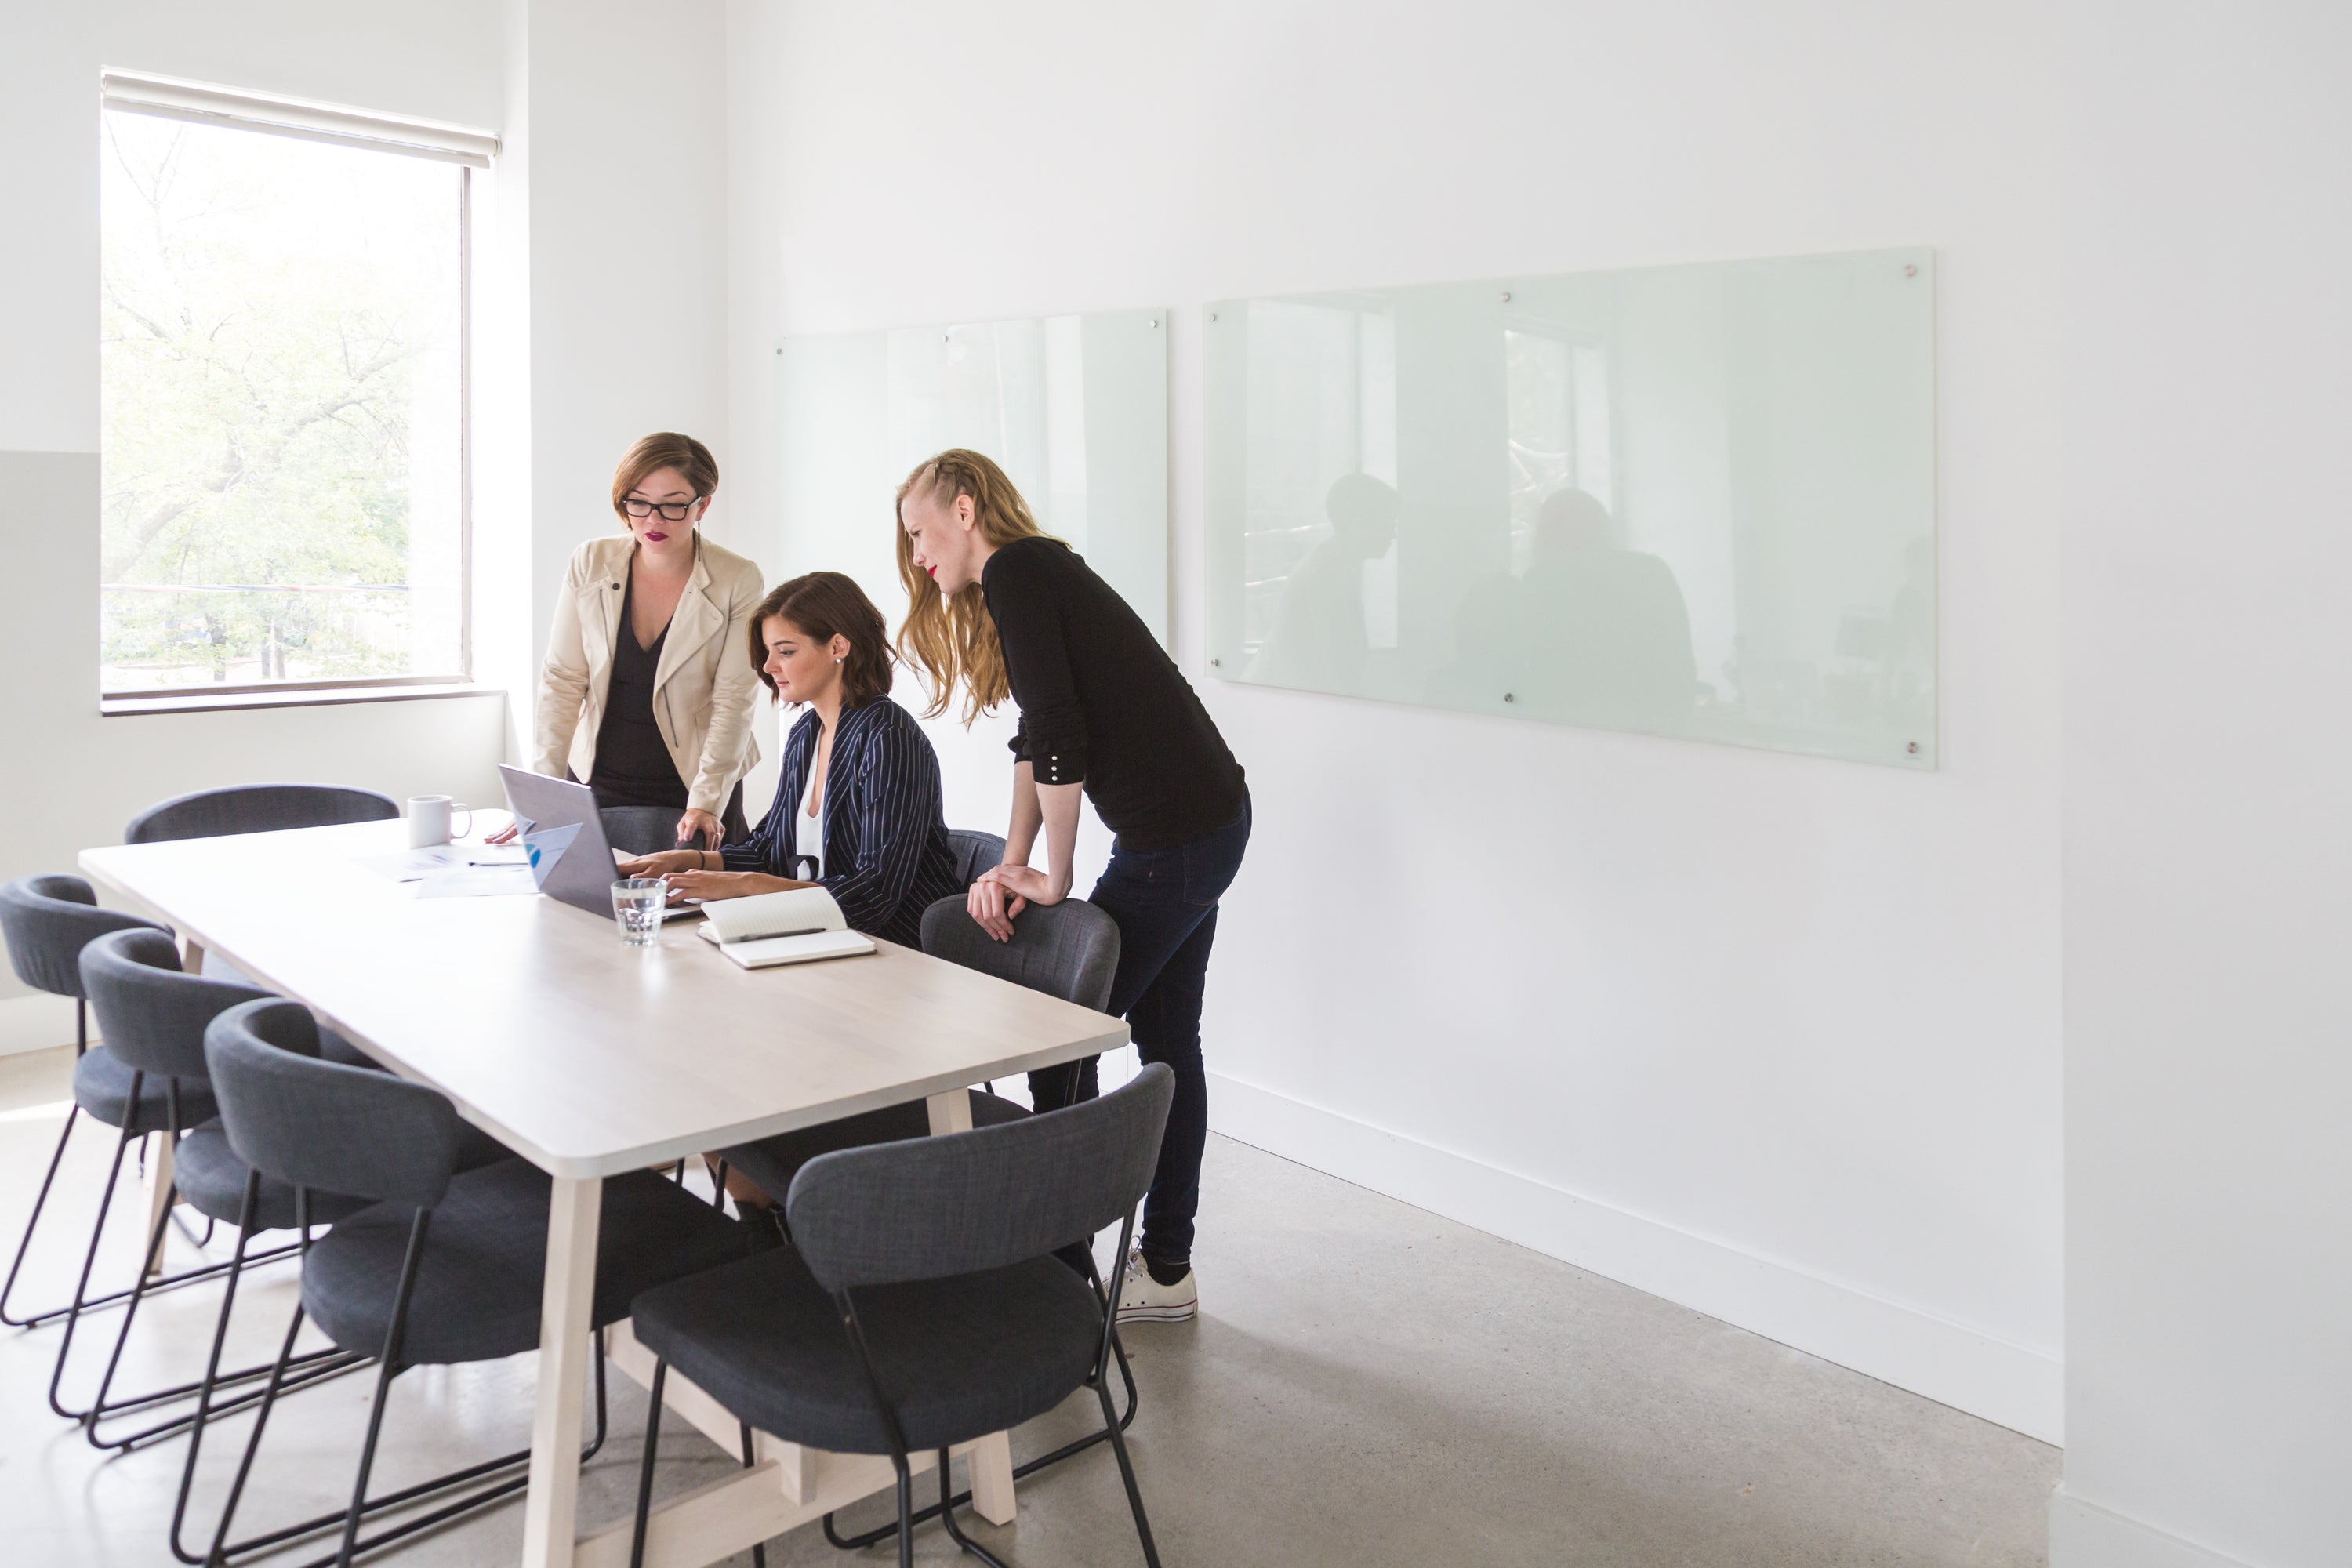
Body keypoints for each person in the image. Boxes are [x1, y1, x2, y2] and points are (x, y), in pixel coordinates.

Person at [897, 448, 1249, 1325]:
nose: (915, 555)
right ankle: (1164, 1267)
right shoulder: (1033, 574)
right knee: (1167, 1040)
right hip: (1196, 824)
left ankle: (1059, 1273)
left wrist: (1052, 875)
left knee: (1064, 1044)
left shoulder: (1018, 570)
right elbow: (1038, 735)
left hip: (1180, 836)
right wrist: (1014, 858)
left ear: (964, 509)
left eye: (918, 531)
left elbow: (1060, 734)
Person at [617, 571, 961, 949]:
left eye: (786, 651)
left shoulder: (889, 737)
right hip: (821, 939)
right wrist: (687, 861)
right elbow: (768, 849)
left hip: (893, 950)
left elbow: (873, 894)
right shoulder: (806, 732)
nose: (768, 666)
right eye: (768, 652)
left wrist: (745, 886)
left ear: (838, 647)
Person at [514, 433, 764, 850]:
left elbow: (734, 699)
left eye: (673, 504)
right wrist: (543, 790)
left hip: (693, 785)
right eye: (639, 502)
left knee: (688, 912)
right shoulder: (590, 562)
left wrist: (705, 801)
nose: (654, 520)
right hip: (597, 779)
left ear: (703, 504)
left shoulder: (737, 578)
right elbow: (562, 680)